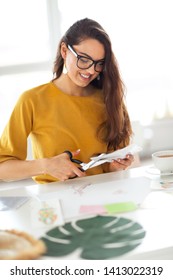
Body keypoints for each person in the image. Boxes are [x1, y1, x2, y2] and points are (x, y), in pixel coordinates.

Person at [0, 18, 135, 184]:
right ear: (64, 50)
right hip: (54, 203)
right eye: (84, 59)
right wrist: (46, 165)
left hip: (102, 195)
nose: (92, 70)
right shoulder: (32, 100)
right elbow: (2, 168)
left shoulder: (110, 100)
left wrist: (115, 167)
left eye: (99, 63)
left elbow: (109, 168)